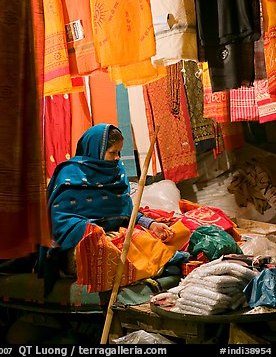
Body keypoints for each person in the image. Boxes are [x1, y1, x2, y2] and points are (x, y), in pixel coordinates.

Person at [40, 123, 176, 294]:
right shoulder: (70, 174)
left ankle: (140, 266)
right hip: (81, 244)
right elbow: (59, 219)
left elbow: (125, 211)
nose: (118, 158)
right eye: (113, 152)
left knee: (154, 244)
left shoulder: (116, 173)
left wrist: (150, 224)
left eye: (119, 152)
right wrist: (90, 230)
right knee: (110, 254)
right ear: (95, 149)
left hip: (113, 237)